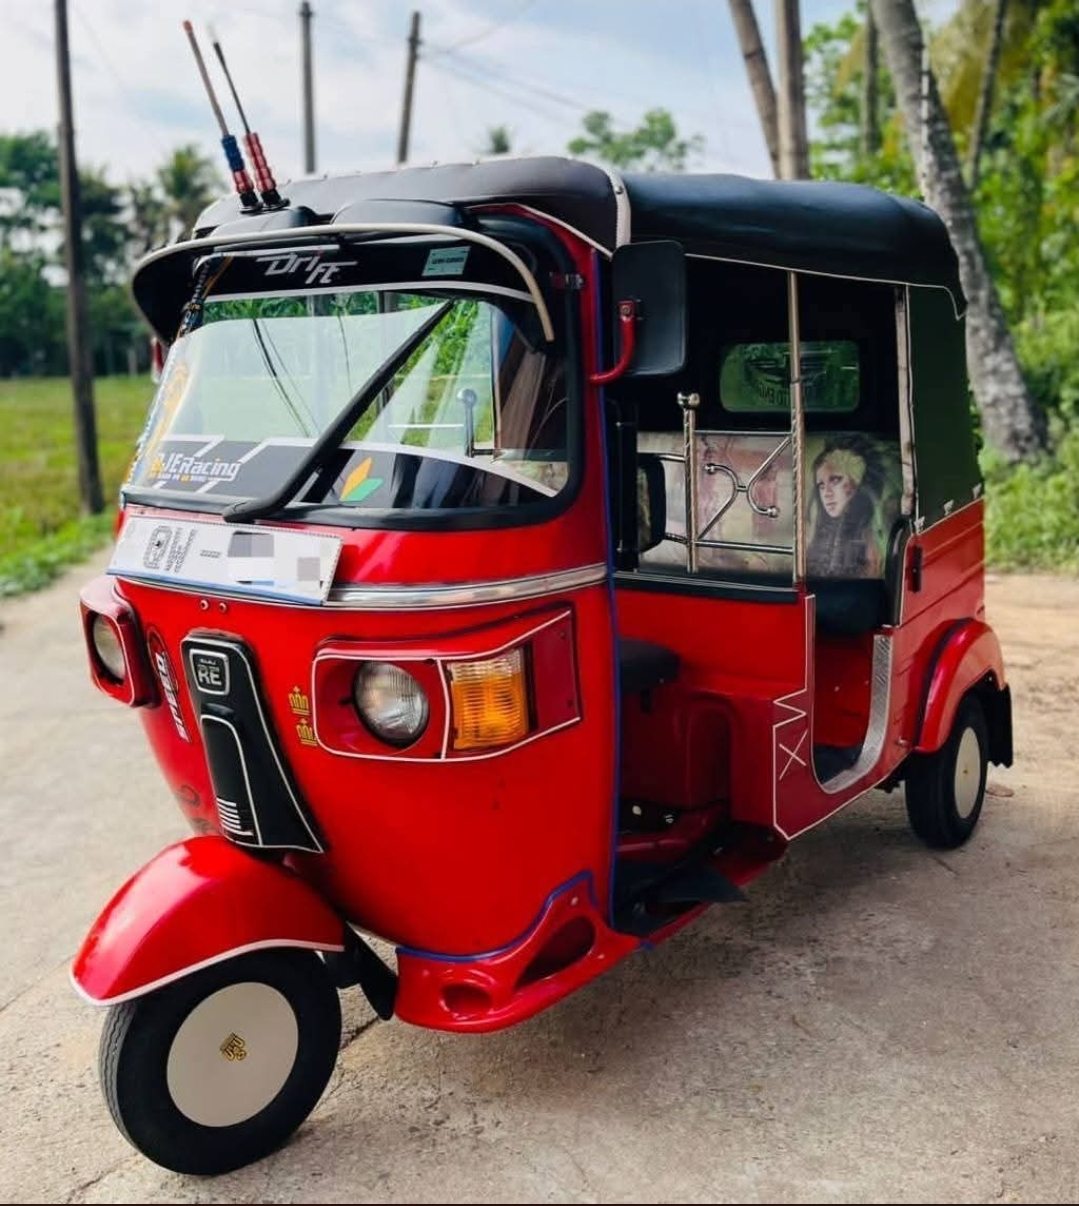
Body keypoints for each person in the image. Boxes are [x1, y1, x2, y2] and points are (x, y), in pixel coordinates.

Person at [806, 435, 891, 579]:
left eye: (835, 480)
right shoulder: (817, 534)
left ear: (856, 482)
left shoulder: (874, 535)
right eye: (821, 485)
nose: (826, 493)